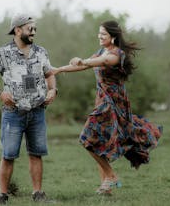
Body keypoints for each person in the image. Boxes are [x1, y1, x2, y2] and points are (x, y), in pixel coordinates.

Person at [52, 20, 162, 195]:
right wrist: (58, 69)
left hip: (112, 104)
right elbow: (85, 65)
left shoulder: (115, 54)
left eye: (103, 34)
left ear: (112, 37)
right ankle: (106, 187)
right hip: (102, 102)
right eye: (99, 33)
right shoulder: (101, 51)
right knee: (98, 142)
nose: (99, 36)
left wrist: (82, 60)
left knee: (86, 139)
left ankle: (111, 176)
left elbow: (99, 61)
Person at [0, 14, 57, 204]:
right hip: (13, 113)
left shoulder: (41, 52)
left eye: (35, 29)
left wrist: (53, 90)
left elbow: (50, 74)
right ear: (17, 30)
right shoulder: (2, 52)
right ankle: (2, 195)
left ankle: (38, 194)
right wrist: (0, 93)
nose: (33, 32)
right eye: (30, 28)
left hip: (38, 111)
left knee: (36, 153)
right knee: (8, 155)